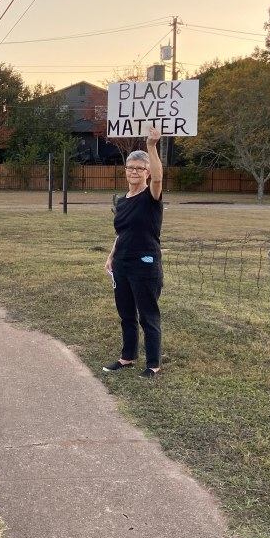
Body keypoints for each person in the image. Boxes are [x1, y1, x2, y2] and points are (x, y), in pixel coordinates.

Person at [103, 126, 164, 379]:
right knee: (126, 313)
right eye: (130, 168)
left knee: (147, 315)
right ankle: (127, 357)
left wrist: (152, 145)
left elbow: (160, 180)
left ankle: (153, 364)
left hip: (145, 263)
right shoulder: (123, 200)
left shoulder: (151, 196)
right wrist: (110, 255)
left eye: (140, 168)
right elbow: (122, 232)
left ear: (147, 172)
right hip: (122, 264)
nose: (134, 172)